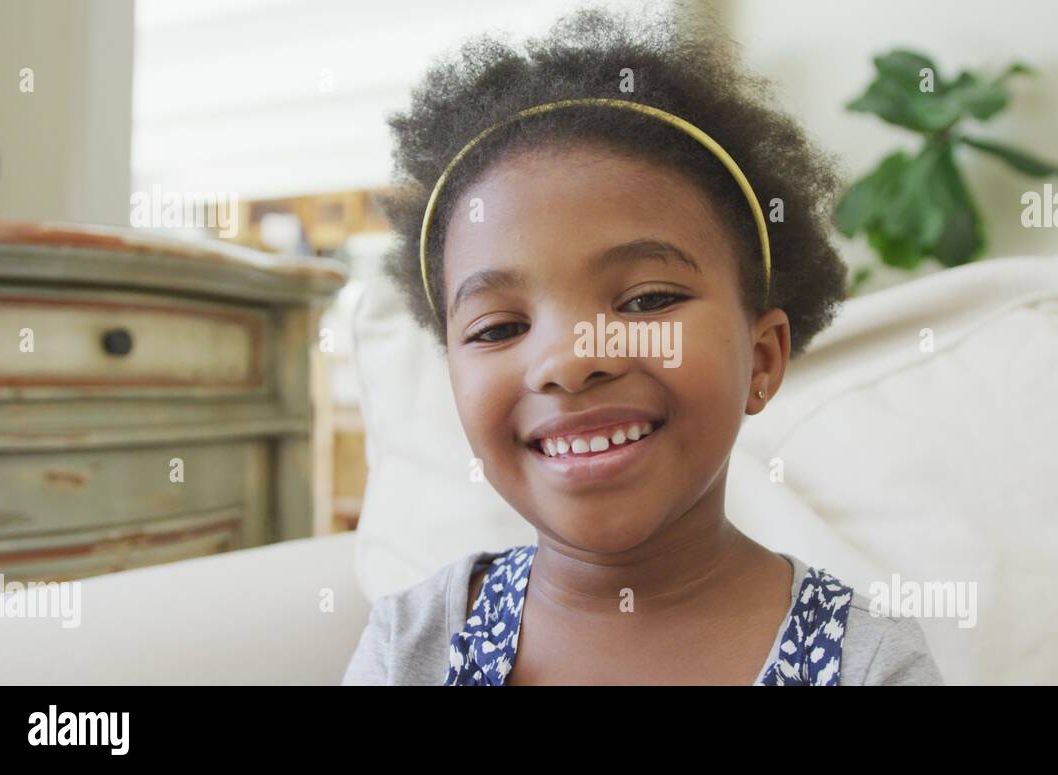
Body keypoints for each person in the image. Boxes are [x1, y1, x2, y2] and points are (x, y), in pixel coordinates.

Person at [343, 4, 943, 686]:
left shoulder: (869, 663)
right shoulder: (409, 645)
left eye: (648, 300)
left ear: (765, 358)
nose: (570, 360)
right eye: (499, 328)